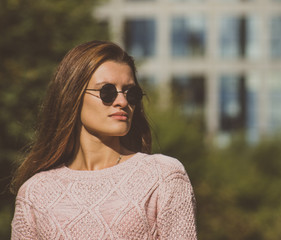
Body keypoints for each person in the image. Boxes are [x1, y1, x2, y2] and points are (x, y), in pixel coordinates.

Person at [10, 40, 197, 239]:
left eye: (131, 93)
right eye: (107, 92)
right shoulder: (35, 193)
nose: (122, 102)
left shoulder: (163, 177)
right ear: (73, 96)